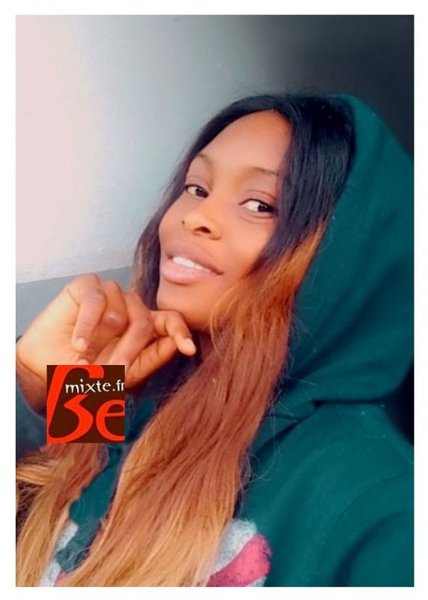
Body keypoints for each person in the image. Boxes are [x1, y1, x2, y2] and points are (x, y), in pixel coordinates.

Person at [15, 93, 414, 587]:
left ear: (346, 258)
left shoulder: (383, 507)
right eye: (196, 188)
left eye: (260, 205)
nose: (193, 216)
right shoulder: (127, 390)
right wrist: (29, 384)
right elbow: (48, 525)